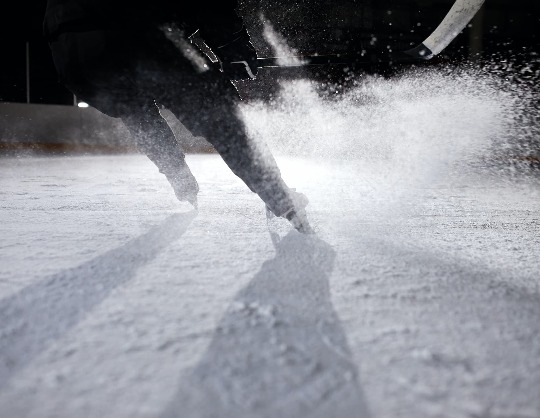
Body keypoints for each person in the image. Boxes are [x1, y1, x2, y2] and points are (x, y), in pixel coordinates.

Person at [43, 0, 312, 233]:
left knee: (137, 112)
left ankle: (180, 179)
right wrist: (233, 48)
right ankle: (280, 196)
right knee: (215, 108)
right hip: (135, 31)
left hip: (73, 59)